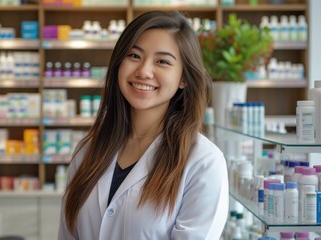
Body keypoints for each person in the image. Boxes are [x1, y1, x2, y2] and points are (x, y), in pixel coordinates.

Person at [58, 11, 229, 240]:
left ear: (183, 78)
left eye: (162, 61)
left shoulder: (204, 162)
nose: (144, 71)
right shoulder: (88, 151)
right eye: (134, 56)